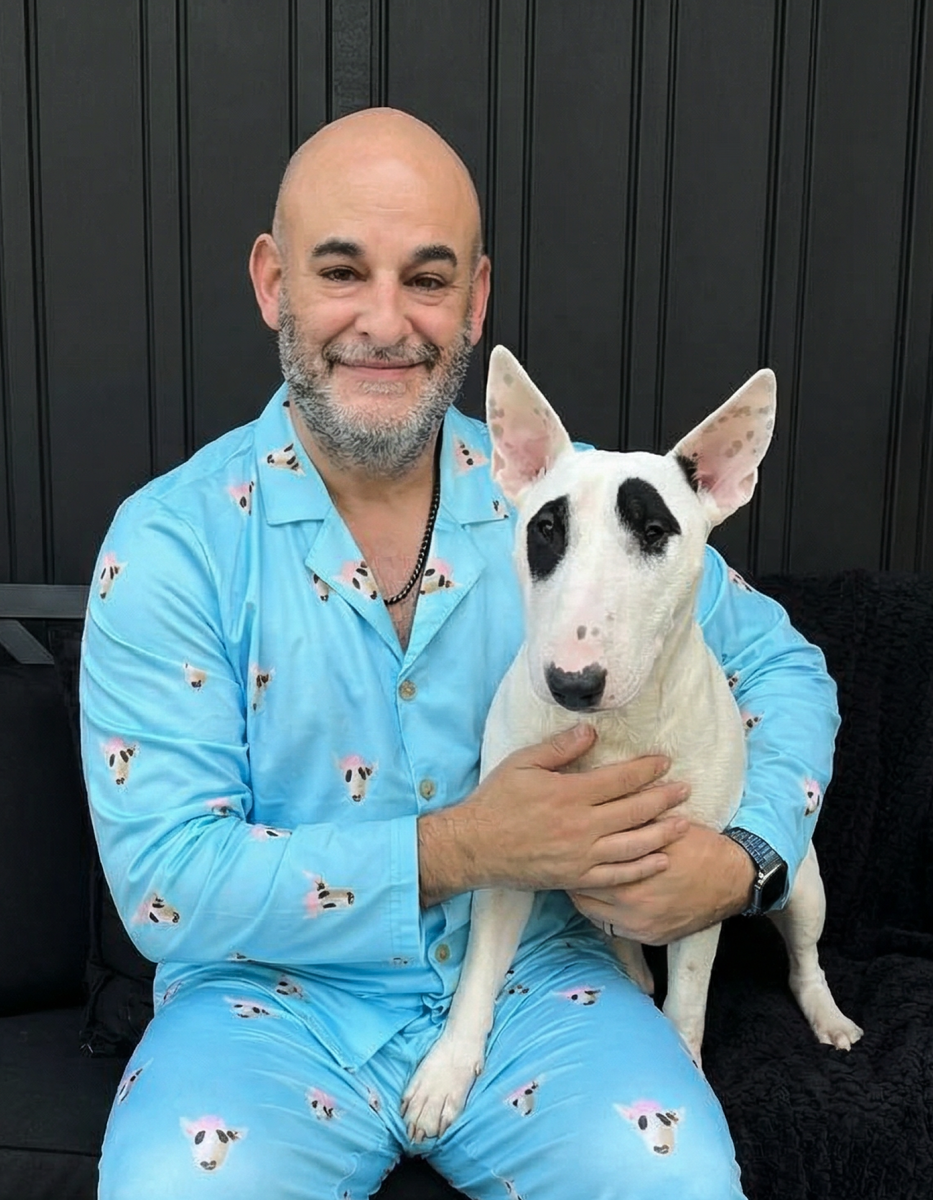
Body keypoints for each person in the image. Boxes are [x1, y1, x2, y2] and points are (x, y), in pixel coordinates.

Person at [81, 108, 839, 1199]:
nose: (385, 322)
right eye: (341, 270)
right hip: (263, 1006)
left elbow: (784, 671)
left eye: (427, 280)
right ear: (272, 283)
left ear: (476, 301)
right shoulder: (167, 544)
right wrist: (465, 846)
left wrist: (745, 859)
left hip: (549, 980)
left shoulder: (578, 503)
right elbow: (164, 887)